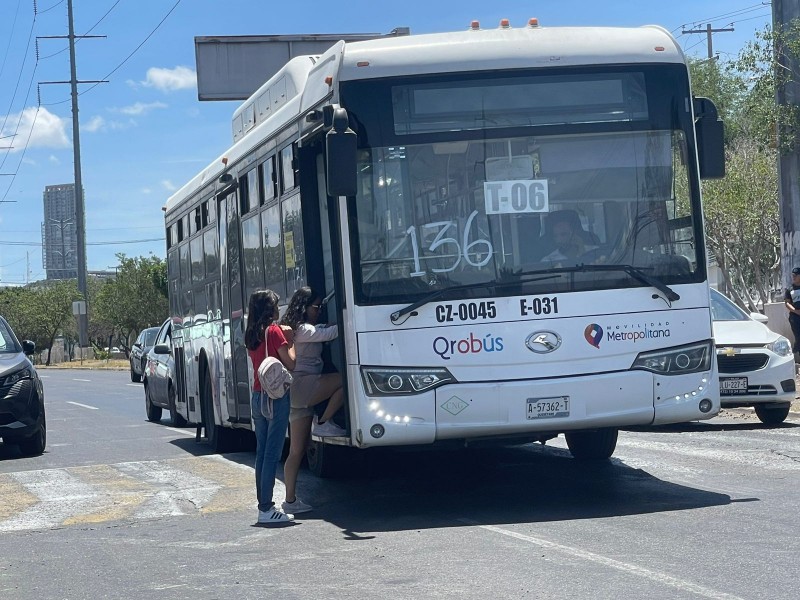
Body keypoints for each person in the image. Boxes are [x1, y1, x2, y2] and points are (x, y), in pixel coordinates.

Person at [280, 286, 345, 514]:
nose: (318, 310)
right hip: (306, 385)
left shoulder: (298, 327)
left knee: (297, 450)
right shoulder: (305, 329)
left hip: (296, 392)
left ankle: (289, 500)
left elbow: (318, 330)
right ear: (304, 307)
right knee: (344, 382)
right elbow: (330, 333)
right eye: (316, 307)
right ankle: (324, 422)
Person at [244, 289, 295, 525]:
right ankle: (266, 508)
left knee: (262, 453)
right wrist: (291, 340)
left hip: (257, 395)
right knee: (273, 454)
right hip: (275, 397)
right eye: (275, 304)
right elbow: (290, 363)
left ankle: (263, 505)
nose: (278, 308)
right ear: (268, 308)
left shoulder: (251, 334)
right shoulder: (274, 332)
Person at [784, 267, 800, 359]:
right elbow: (787, 303)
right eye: (792, 275)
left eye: (796, 275)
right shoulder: (789, 289)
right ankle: (794, 352)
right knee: (798, 336)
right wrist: (795, 311)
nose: (793, 277)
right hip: (795, 317)